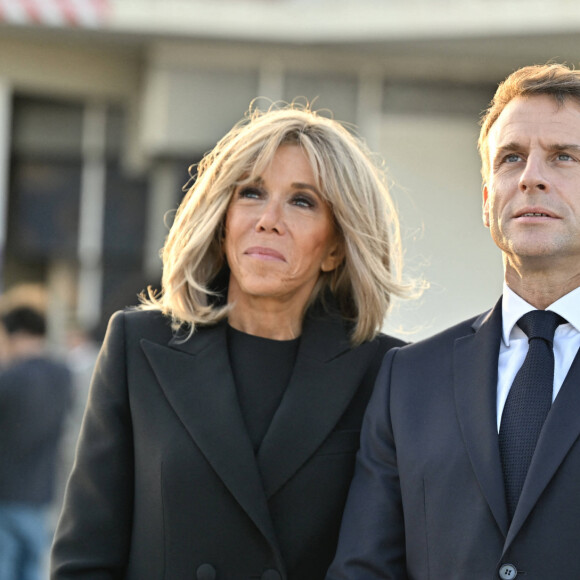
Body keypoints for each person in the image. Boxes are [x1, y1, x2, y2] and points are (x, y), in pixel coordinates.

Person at [50, 103, 412, 580]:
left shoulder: (386, 371)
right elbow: (84, 560)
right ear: (222, 222)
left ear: (335, 248)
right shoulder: (137, 346)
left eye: (302, 201)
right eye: (251, 193)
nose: (268, 219)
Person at [326, 62, 580, 580]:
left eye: (564, 157)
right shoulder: (408, 379)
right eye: (511, 159)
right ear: (488, 203)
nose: (531, 176)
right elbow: (365, 569)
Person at [0, 306, 73, 580]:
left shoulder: (8, 379)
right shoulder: (63, 375)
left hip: (5, 490)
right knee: (34, 567)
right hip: (42, 489)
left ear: (15, 334)